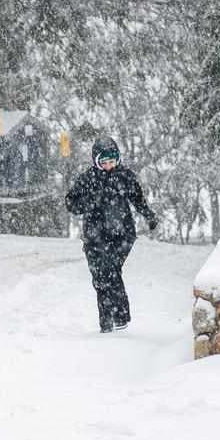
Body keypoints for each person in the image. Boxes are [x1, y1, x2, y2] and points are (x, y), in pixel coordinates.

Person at [65, 136, 157, 333]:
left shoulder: (125, 176)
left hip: (121, 235)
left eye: (112, 161)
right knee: (99, 276)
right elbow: (70, 202)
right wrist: (89, 202)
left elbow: (138, 198)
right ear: (96, 161)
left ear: (118, 159)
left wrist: (149, 216)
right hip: (94, 237)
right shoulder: (87, 179)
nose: (108, 166)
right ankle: (106, 323)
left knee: (110, 269)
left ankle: (120, 316)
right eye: (103, 162)